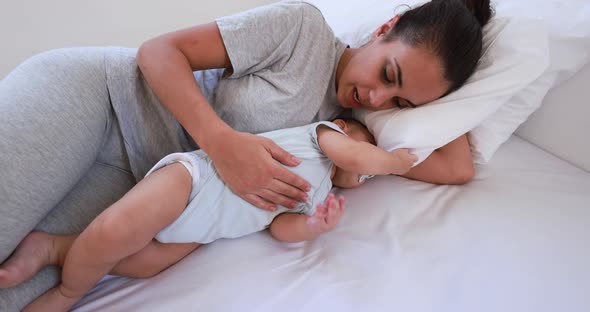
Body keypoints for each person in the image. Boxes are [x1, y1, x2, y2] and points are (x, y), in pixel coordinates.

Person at [0, 0, 492, 309]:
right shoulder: (303, 31)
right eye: (388, 75)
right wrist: (222, 144)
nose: (378, 99)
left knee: (18, 290)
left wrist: (440, 104)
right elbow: (158, 52)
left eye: (401, 103)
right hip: (102, 101)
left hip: (138, 185)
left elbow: (456, 167)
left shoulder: (353, 135)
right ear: (387, 26)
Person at [1, 119, 417, 311]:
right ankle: (69, 293)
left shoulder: (319, 194)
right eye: (366, 155)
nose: (363, 172)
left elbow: (280, 229)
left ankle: (55, 248)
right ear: (344, 129)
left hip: (202, 230)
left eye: (366, 176)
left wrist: (313, 225)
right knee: (117, 230)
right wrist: (394, 161)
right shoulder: (320, 136)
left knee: (143, 264)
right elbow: (354, 154)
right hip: (195, 181)